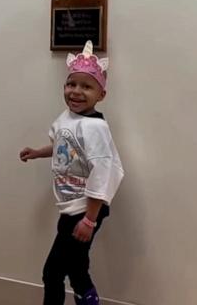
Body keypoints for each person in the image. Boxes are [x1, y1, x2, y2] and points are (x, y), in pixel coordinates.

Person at [20, 40, 124, 305]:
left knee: (52, 272)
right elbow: (61, 147)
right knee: (77, 268)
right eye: (71, 84)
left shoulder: (96, 128)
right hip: (69, 207)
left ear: (101, 94)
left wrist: (90, 220)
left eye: (86, 86)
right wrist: (37, 152)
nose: (76, 92)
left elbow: (103, 172)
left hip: (86, 208)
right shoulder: (66, 117)